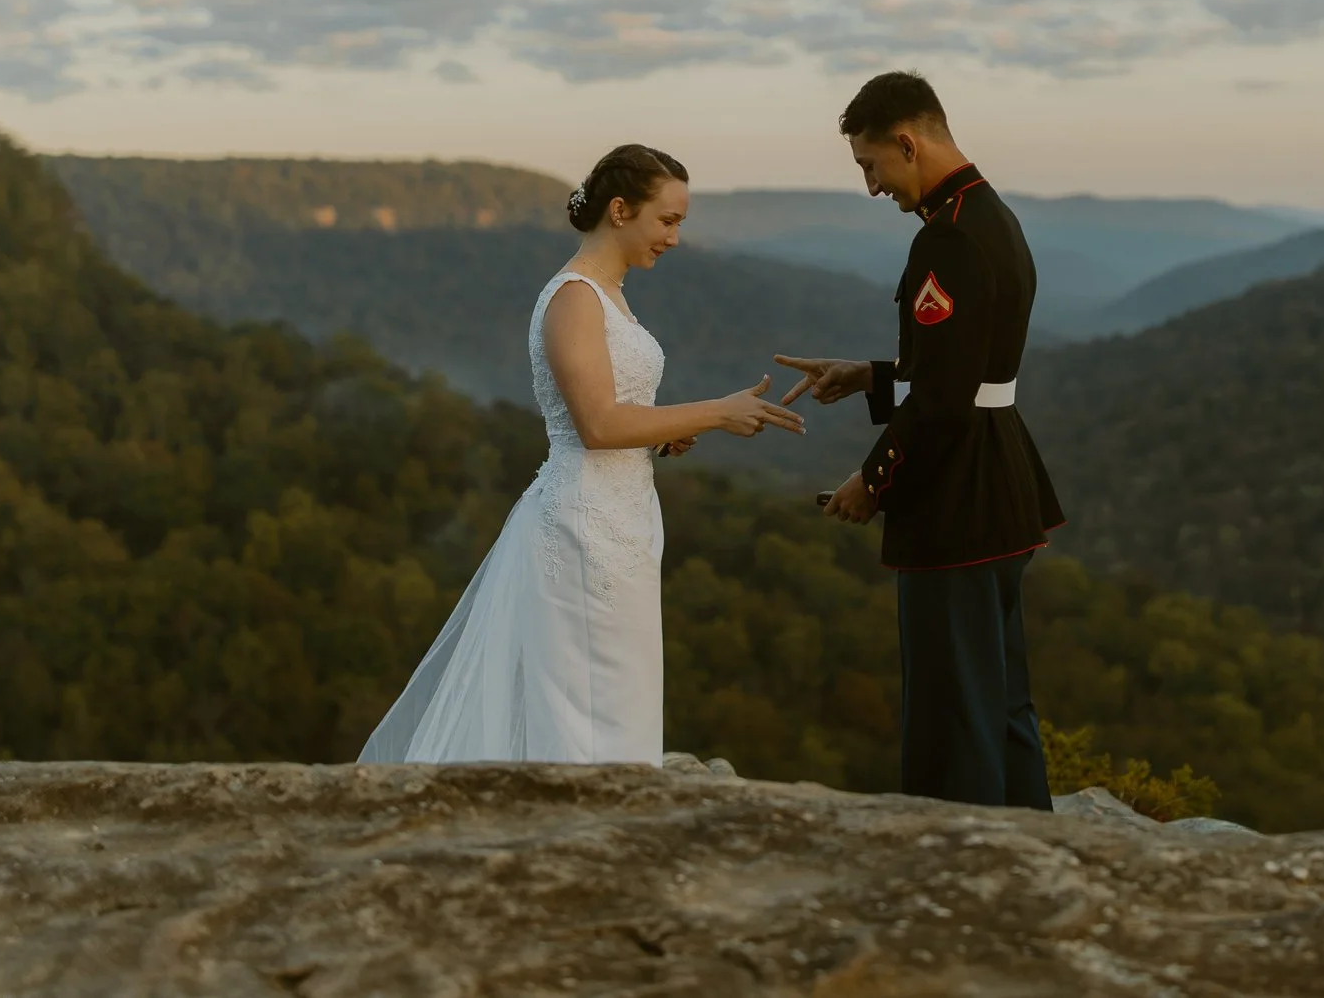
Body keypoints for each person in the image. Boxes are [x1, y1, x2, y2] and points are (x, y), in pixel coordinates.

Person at [358, 143, 805, 764]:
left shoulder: (609, 292)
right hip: (583, 528)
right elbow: (595, 425)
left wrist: (661, 432)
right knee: (588, 704)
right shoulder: (574, 297)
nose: (675, 239)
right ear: (620, 210)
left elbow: (613, 408)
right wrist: (716, 412)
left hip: (625, 518)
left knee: (619, 695)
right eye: (667, 220)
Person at [775, 72, 1065, 808]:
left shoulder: (949, 238)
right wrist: (869, 376)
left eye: (871, 164)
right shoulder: (989, 214)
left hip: (956, 500)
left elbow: (942, 401)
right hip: (997, 487)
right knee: (1003, 704)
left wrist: (872, 482)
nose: (872, 185)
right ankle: (1030, 847)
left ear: (908, 143)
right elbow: (964, 368)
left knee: (953, 713)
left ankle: (961, 858)